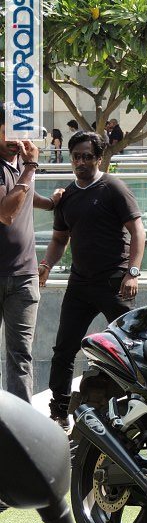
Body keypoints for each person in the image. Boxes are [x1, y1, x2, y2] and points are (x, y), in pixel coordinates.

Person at [39, 131, 146, 430]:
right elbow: (59, 239)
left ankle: (139, 408)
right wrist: (46, 264)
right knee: (63, 350)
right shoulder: (67, 197)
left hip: (115, 282)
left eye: (87, 156)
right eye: (76, 157)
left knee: (131, 348)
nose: (81, 162)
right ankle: (60, 411)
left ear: (99, 158)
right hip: (80, 284)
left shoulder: (113, 188)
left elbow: (138, 231)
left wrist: (132, 272)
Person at [0, 108, 64, 402]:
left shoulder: (21, 167)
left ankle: (21, 423)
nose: (16, 141)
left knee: (21, 356)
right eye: (8, 133)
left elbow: (24, 194)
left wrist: (51, 203)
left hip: (24, 277)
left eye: (20, 134)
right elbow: (6, 212)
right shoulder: (25, 167)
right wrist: (31, 167)